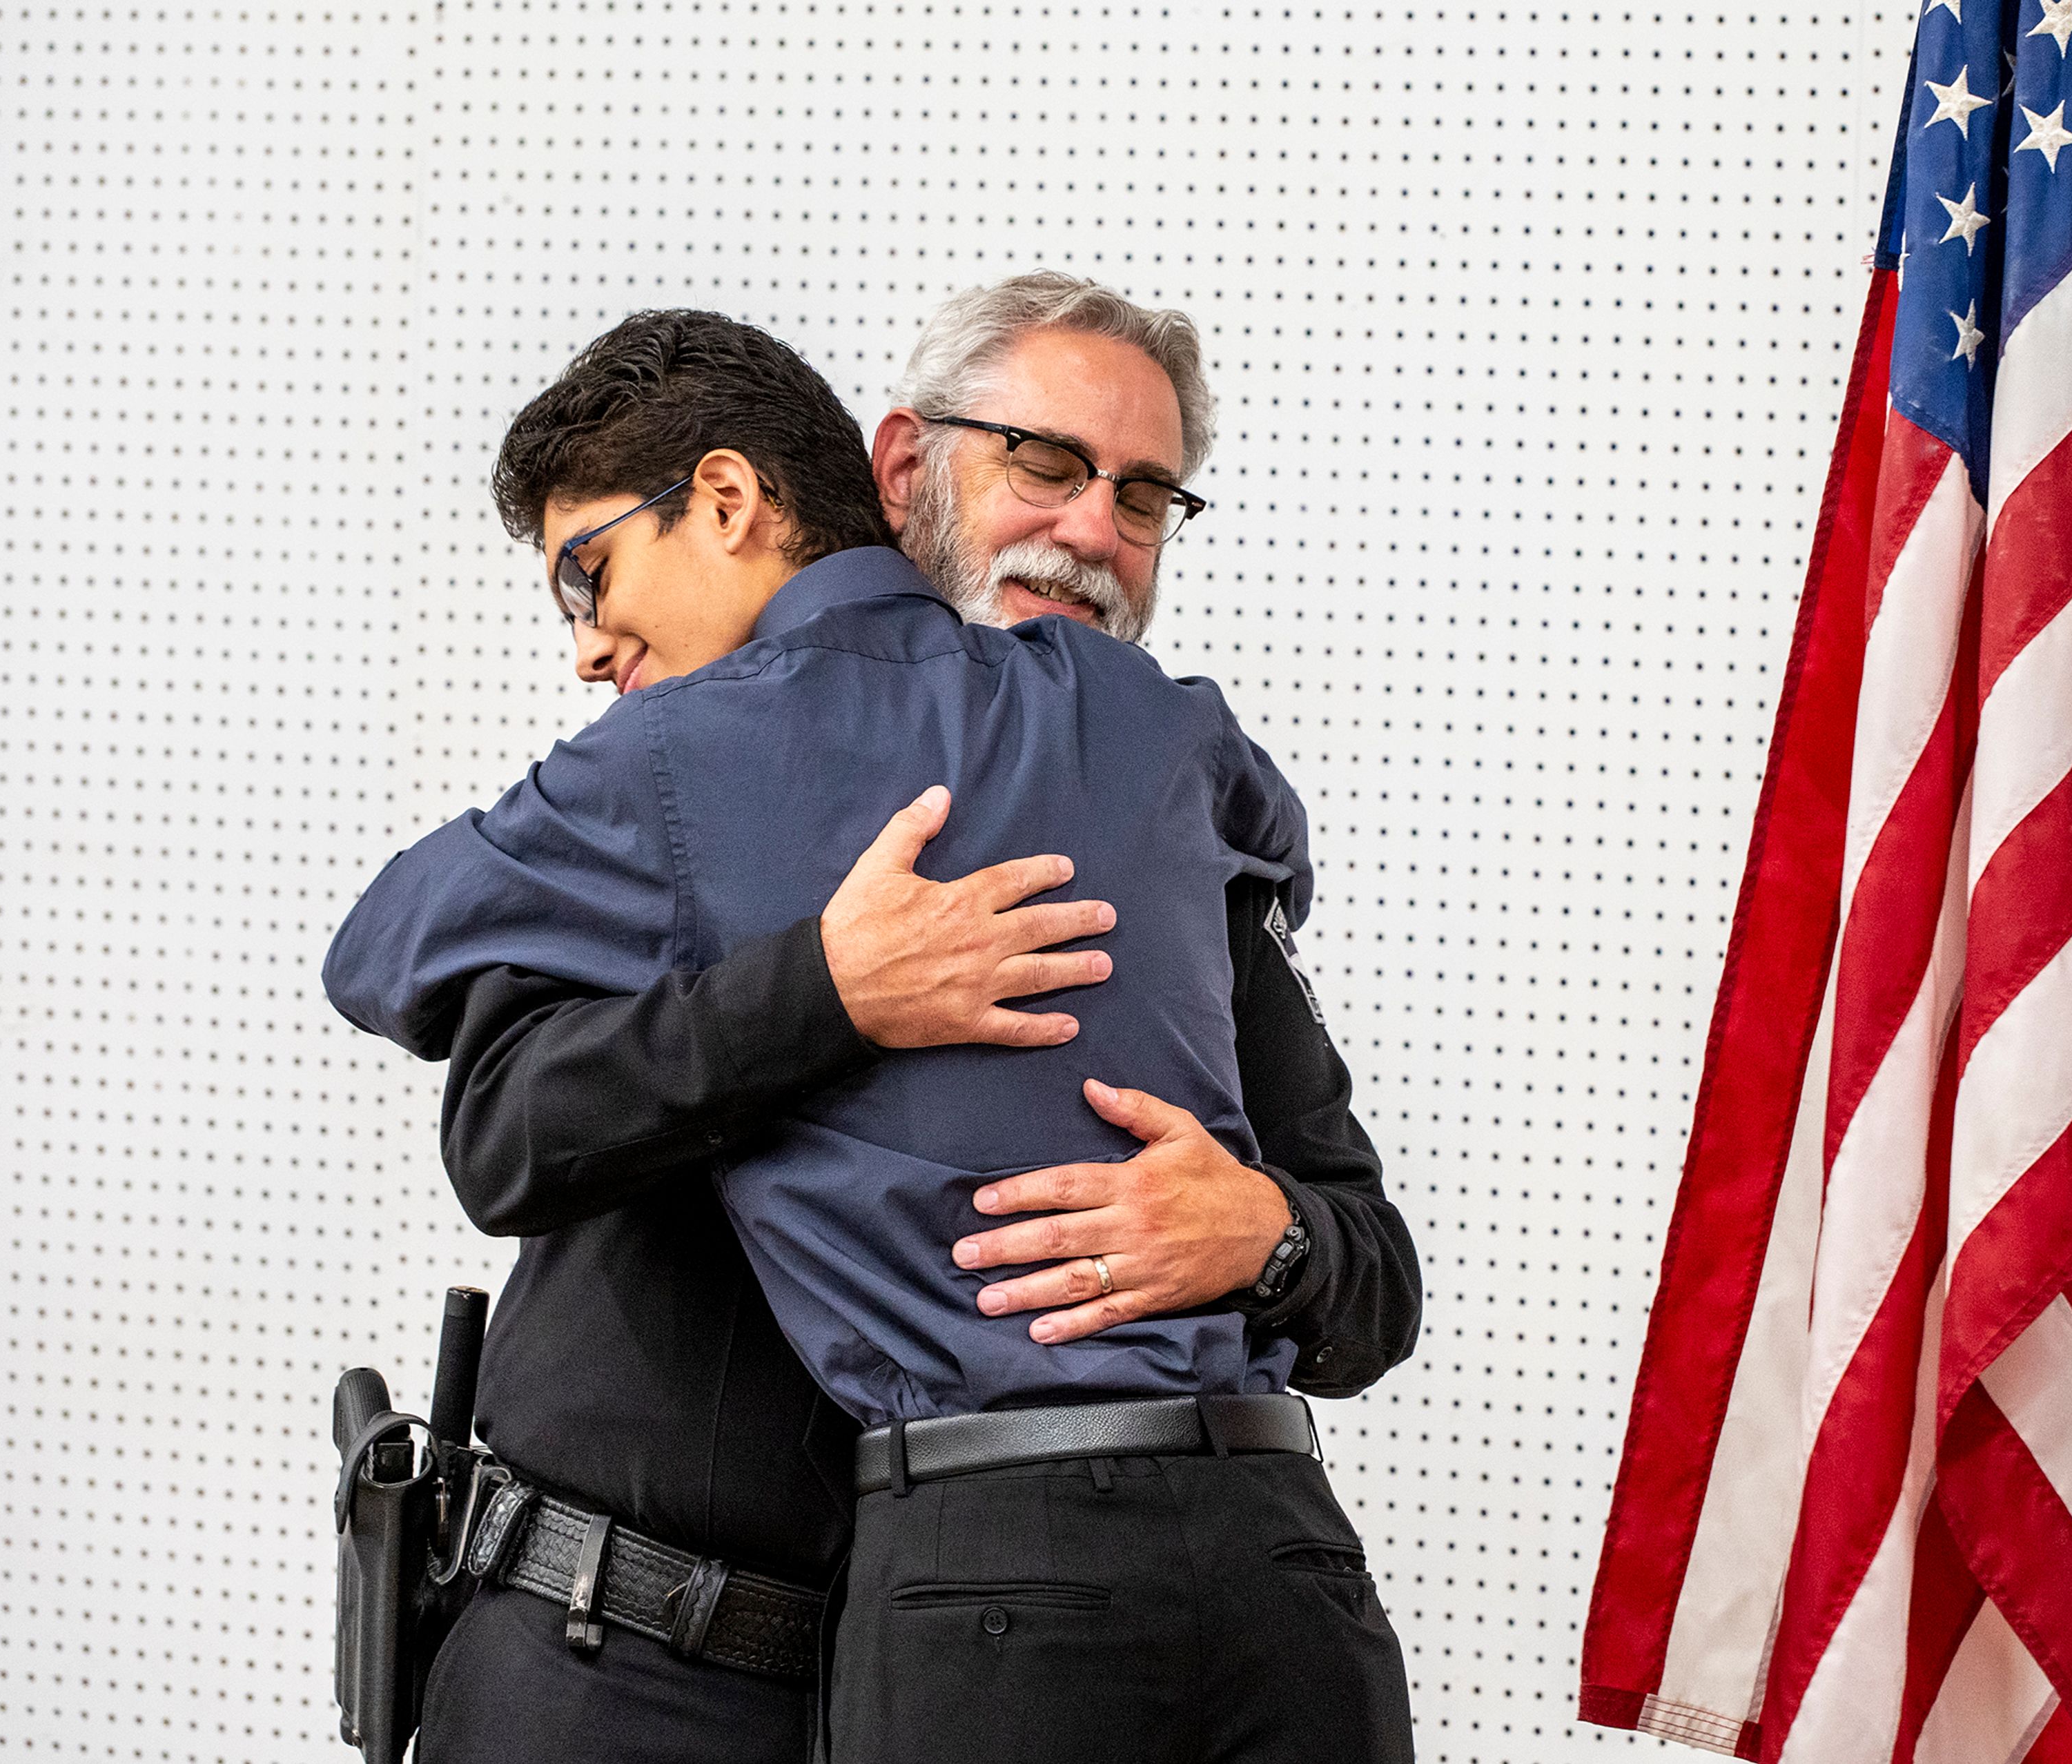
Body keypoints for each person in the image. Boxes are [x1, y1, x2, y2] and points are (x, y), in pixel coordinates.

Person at [325, 293, 1416, 1763]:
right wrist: (830, 989)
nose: (1095, 531)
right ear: (901, 474)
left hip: (959, 1649)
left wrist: (1260, 1237)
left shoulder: (1152, 798)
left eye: (1145, 494)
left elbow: (1369, 1278)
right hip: (626, 1671)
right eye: (1044, 463)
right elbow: (508, 1141)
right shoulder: (671, 793)